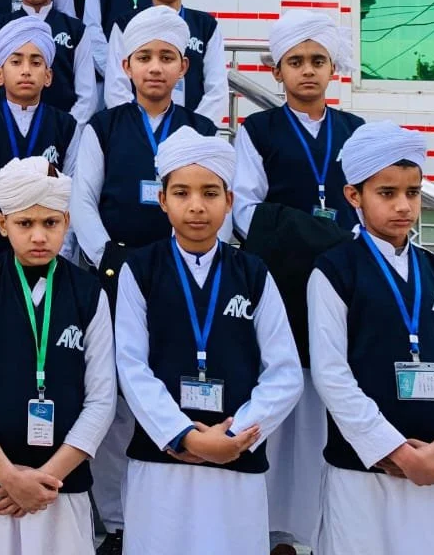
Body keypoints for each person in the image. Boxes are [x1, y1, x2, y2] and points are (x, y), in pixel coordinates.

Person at [308, 121, 434, 555]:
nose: (402, 206)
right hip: (364, 476)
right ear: (354, 196)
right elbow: (332, 375)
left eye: (412, 193)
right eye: (386, 193)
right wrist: (394, 450)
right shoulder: (336, 271)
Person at [114, 128, 303, 555]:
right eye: (182, 193)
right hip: (161, 461)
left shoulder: (253, 273)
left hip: (237, 459)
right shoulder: (140, 270)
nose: (196, 206)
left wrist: (233, 436)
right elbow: (130, 366)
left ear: (229, 201)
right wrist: (185, 435)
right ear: (162, 200)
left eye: (210, 193)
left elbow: (285, 373)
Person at [232, 10, 365, 553]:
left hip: (341, 286)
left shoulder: (356, 132)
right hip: (279, 281)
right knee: (280, 394)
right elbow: (244, 211)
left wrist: (331, 244)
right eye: (296, 62)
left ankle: (313, 529)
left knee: (323, 401)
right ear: (277, 71)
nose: (307, 70)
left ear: (333, 69)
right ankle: (268, 530)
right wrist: (323, 236)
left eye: (317, 60)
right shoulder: (257, 131)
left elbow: (371, 207)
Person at [0, 156, 114, 554]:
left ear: (67, 222)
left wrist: (46, 479)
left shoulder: (88, 292)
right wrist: (8, 476)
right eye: (25, 224)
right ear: (2, 224)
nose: (39, 236)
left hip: (61, 488)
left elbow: (101, 400)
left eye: (50, 223)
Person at [70, 6, 220, 285]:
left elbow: (215, 202)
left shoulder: (201, 130)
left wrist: (193, 257)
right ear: (127, 66)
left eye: (167, 58)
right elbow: (82, 200)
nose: (155, 68)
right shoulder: (103, 127)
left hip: (182, 271)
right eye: (144, 57)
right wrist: (107, 256)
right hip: (114, 269)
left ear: (183, 67)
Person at [0, 17, 79, 268]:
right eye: (16, 61)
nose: (26, 70)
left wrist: (61, 258)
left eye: (36, 62)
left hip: (50, 257)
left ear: (48, 76)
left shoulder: (66, 126)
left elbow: (72, 201)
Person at [105, 0, 227, 124]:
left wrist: (194, 130)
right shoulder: (125, 24)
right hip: (136, 131)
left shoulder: (206, 26)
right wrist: (140, 127)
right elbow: (116, 88)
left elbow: (217, 90)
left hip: (194, 135)